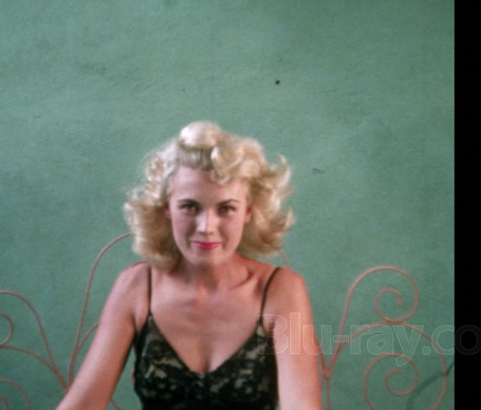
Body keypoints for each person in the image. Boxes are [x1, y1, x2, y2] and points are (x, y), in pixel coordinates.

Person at [57, 121, 322, 409]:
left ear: (248, 211)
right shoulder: (136, 287)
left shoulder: (282, 291)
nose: (206, 227)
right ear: (166, 208)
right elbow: (82, 404)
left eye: (226, 208)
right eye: (189, 207)